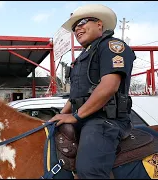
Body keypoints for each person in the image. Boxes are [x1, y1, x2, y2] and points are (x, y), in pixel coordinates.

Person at [48, 4, 135, 179]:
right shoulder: (81, 58)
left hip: (105, 121)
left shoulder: (112, 46)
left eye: (82, 22)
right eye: (74, 27)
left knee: (89, 171)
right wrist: (58, 117)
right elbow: (75, 97)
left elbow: (109, 86)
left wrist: (75, 116)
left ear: (99, 24)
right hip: (84, 119)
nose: (77, 29)